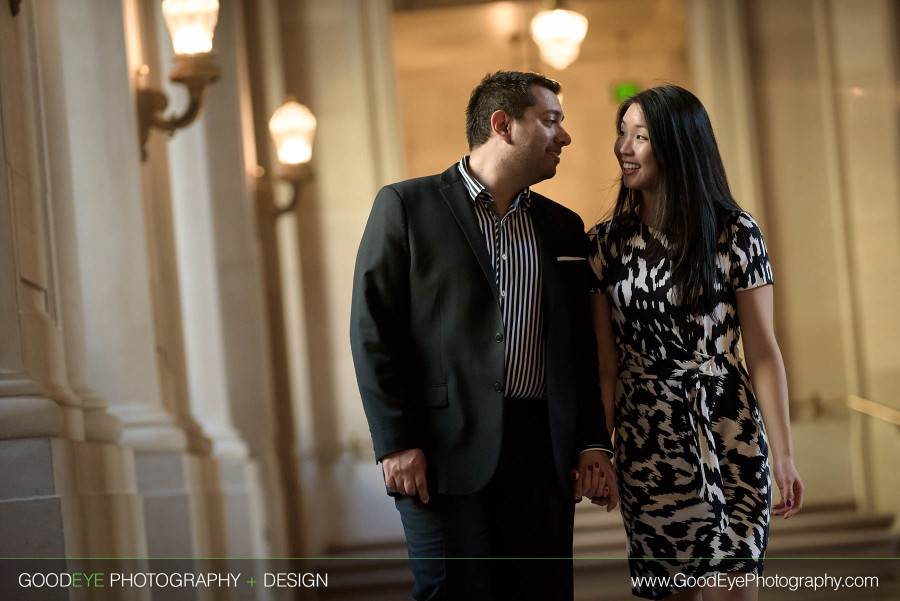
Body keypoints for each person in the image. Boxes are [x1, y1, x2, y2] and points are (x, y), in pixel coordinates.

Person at [350, 70, 617, 601]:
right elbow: (372, 331)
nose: (564, 136)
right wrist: (396, 442)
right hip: (440, 453)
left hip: (543, 456)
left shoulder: (564, 227)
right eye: (551, 121)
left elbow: (576, 349)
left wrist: (592, 441)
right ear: (503, 125)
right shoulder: (406, 207)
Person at [588, 85, 804, 600]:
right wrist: (603, 450)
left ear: (679, 145)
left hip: (729, 429)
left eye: (640, 136)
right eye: (622, 133)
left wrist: (784, 454)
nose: (623, 147)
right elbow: (606, 364)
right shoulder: (604, 244)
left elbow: (764, 352)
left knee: (734, 587)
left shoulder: (735, 233)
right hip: (648, 441)